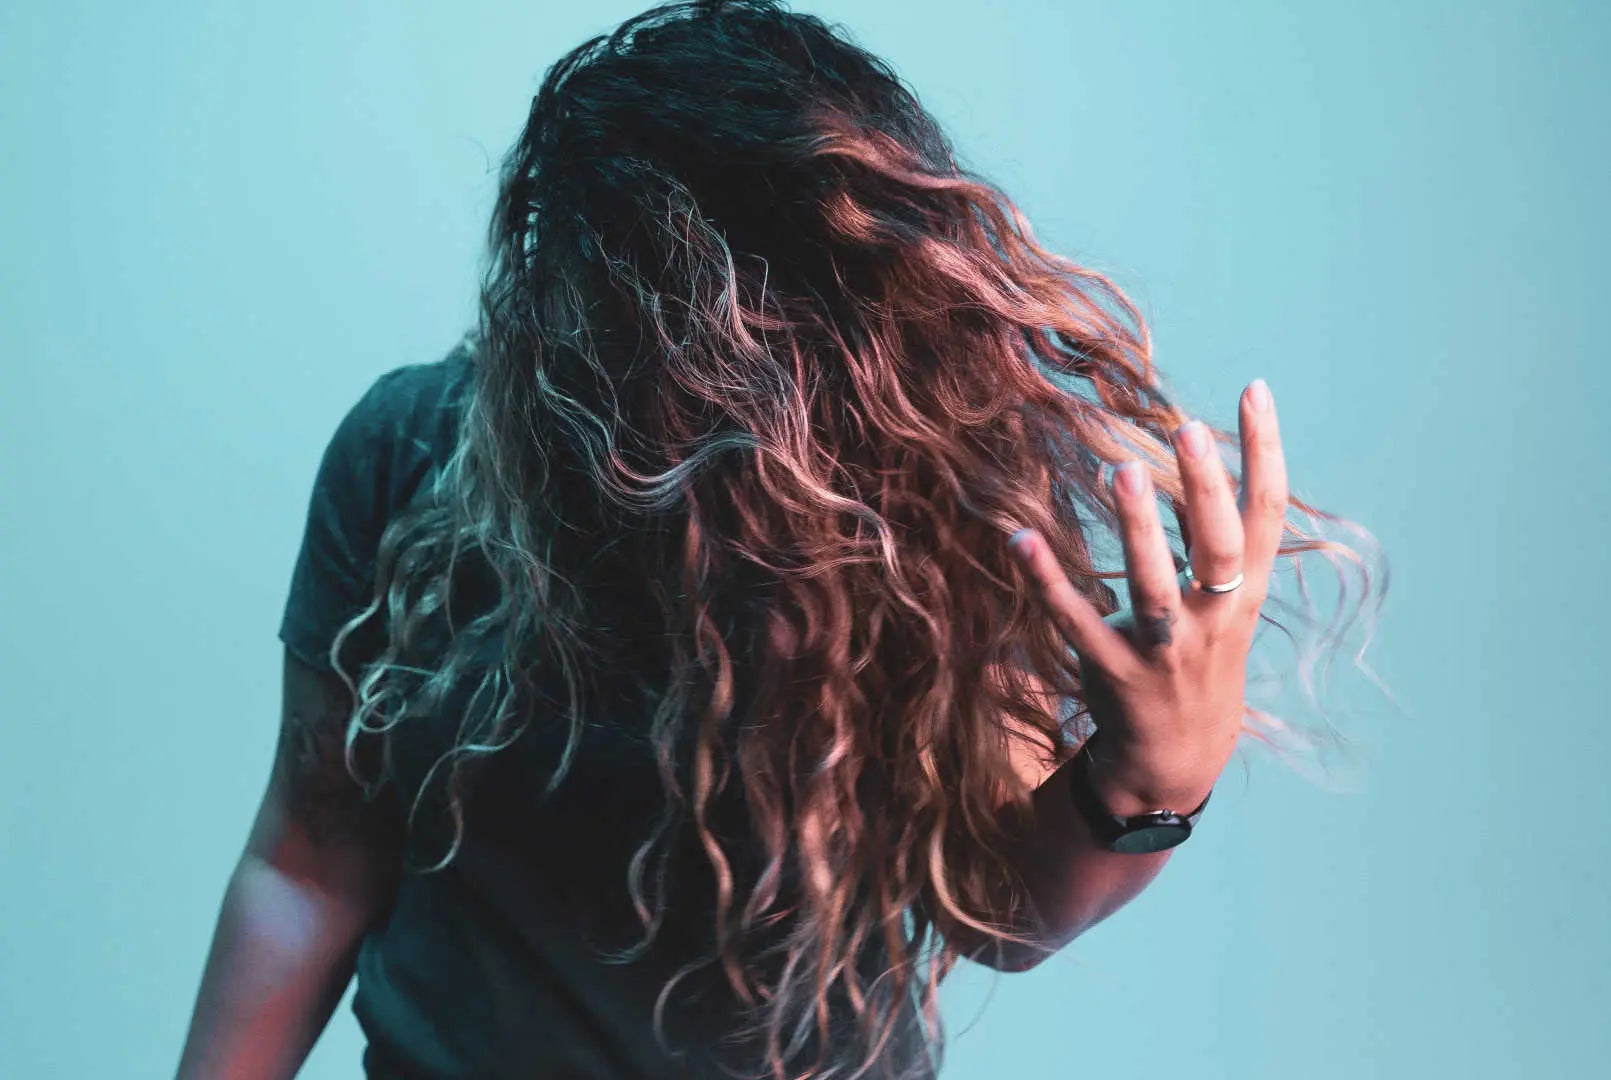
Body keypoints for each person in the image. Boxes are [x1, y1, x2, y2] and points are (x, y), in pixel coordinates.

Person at [175, 2, 1373, 1077]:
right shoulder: (412, 455)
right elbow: (307, 865)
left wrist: (1151, 782)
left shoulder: (953, 509)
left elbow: (1005, 913)